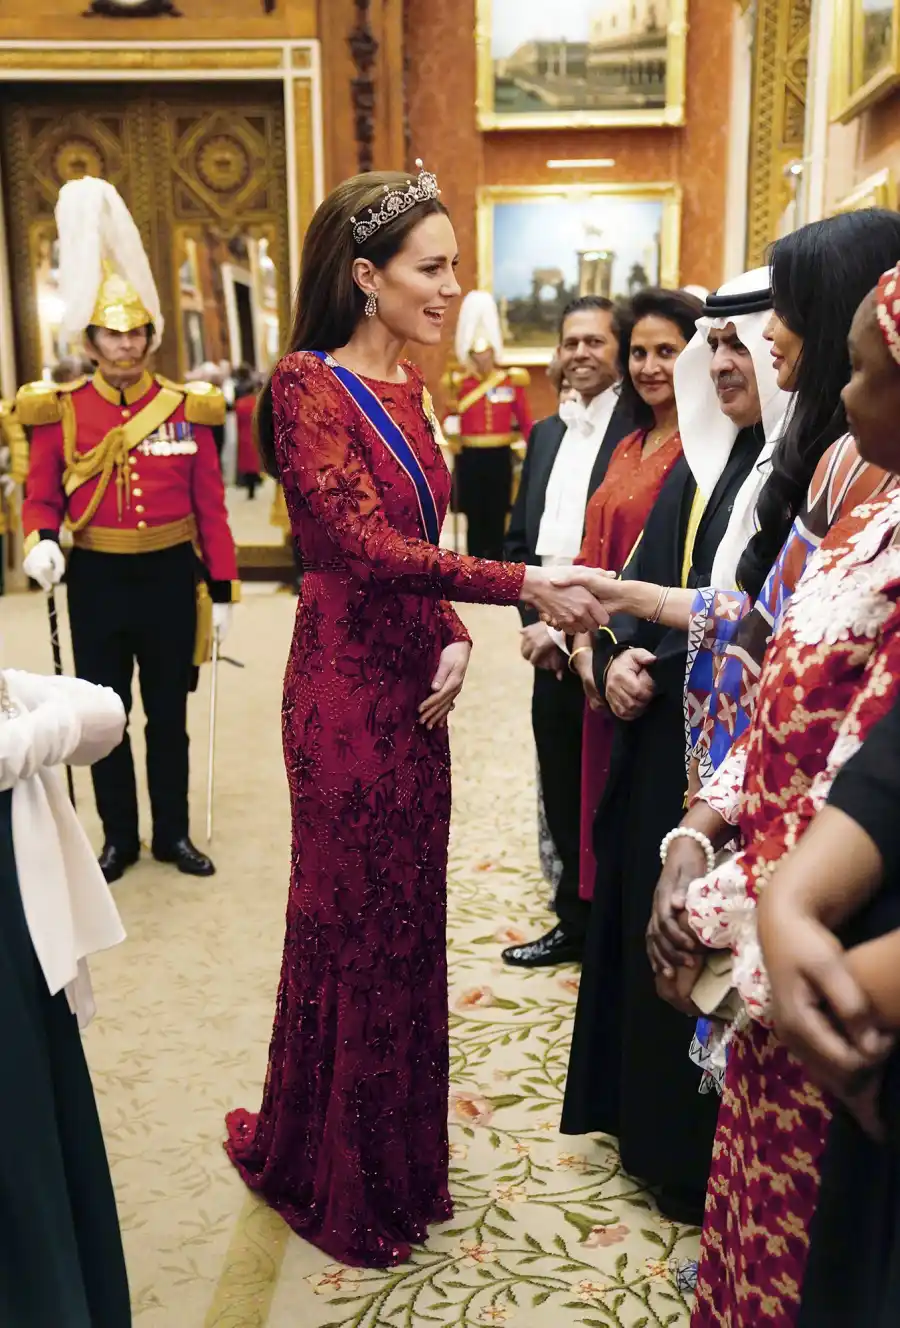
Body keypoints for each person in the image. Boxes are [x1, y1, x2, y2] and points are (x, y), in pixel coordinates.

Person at [222, 162, 607, 1268]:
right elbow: (352, 547)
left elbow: (412, 550)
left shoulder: (415, 391)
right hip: (340, 697)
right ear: (365, 277)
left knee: (406, 923)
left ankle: (398, 1155)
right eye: (430, 269)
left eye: (452, 268)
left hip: (413, 689)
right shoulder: (305, 384)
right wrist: (521, 581)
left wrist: (447, 628)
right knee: (347, 922)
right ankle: (334, 1167)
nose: (450, 289)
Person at [670, 261, 900, 1328]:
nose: (840, 396)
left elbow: (860, 779)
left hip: (840, 979)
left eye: (860, 372)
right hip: (780, 949)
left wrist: (742, 915)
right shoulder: (865, 513)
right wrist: (696, 840)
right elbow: (772, 708)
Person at [559, 271, 784, 1224]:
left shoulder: (795, 467)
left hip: (740, 761)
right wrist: (612, 658)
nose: (722, 364)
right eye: (716, 348)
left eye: (742, 346)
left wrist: (643, 623)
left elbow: (753, 617)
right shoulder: (702, 460)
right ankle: (645, 1135)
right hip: (664, 737)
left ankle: (691, 1165)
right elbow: (639, 581)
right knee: (647, 928)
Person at [18, 177, 239, 884]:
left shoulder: (186, 408)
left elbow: (211, 508)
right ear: (91, 338)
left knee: (166, 715)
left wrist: (226, 590)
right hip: (99, 580)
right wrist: (43, 541)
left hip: (172, 574)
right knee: (102, 716)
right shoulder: (61, 409)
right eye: (114, 331)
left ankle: (171, 834)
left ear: (151, 334)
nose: (127, 343)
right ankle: (118, 838)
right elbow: (40, 494)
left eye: (138, 330)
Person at [501, 294, 637, 969]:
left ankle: (612, 927)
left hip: (606, 640)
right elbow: (522, 539)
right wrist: (534, 623)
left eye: (596, 342)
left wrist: (568, 635)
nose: (581, 353)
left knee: (609, 789)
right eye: (571, 341)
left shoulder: (640, 433)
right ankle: (572, 922)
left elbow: (624, 553)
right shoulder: (548, 432)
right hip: (544, 641)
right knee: (558, 781)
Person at [0, 663, 130, 1326]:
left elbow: (108, 715)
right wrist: (36, 726)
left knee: (36, 1108)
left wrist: (22, 712)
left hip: (17, 898)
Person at [567, 287, 705, 902]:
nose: (649, 367)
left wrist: (612, 657)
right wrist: (581, 653)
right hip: (597, 657)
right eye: (640, 353)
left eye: (667, 352)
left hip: (645, 665)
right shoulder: (626, 445)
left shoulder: (701, 455)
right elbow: (587, 555)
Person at [442, 290, 532, 558]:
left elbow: (526, 420)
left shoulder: (510, 380)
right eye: (476, 353)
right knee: (472, 511)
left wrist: (532, 451)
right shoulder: (458, 384)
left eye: (486, 352)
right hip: (470, 456)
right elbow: (447, 421)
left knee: (498, 510)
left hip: (500, 455)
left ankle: (496, 561)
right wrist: (451, 429)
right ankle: (473, 562)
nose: (482, 358)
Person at [234, 364, 262, 497]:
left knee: (247, 462)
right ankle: (256, 482)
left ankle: (248, 486)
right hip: (255, 433)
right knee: (255, 460)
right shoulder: (256, 402)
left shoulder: (239, 404)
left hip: (244, 435)